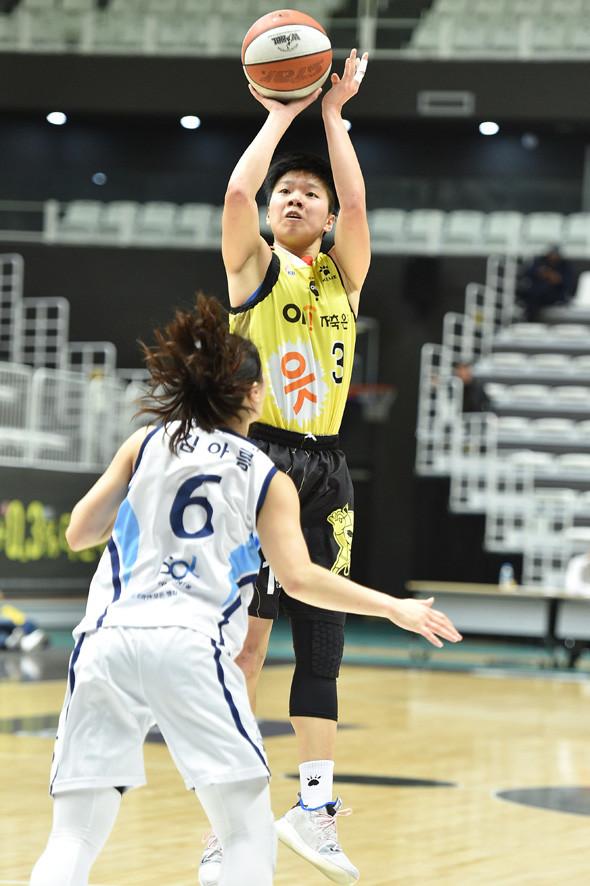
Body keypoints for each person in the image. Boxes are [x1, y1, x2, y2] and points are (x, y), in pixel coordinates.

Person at [29, 294, 461, 886]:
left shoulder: (147, 443)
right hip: (189, 647)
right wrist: (394, 607)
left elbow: (80, 532)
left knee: (73, 837)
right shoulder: (264, 475)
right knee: (247, 836)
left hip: (104, 644)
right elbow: (301, 579)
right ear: (255, 394)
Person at [199, 48, 372, 885]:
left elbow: (359, 201)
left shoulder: (343, 277)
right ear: (269, 216)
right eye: (285, 194)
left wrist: (334, 118)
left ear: (329, 218)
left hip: (327, 469)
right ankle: (229, 821)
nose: (294, 198)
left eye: (310, 194)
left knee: (324, 644)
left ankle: (313, 808)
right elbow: (237, 196)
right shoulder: (255, 269)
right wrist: (279, 114)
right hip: (257, 462)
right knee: (248, 647)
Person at [516, 246, 575, 322]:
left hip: (555, 294)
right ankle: (530, 319)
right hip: (536, 294)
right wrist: (540, 272)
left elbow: (567, 283)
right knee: (531, 295)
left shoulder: (565, 265)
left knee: (539, 295)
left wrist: (554, 277)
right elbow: (528, 273)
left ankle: (530, 319)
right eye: (551, 254)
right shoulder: (540, 262)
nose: (553, 257)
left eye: (555, 255)